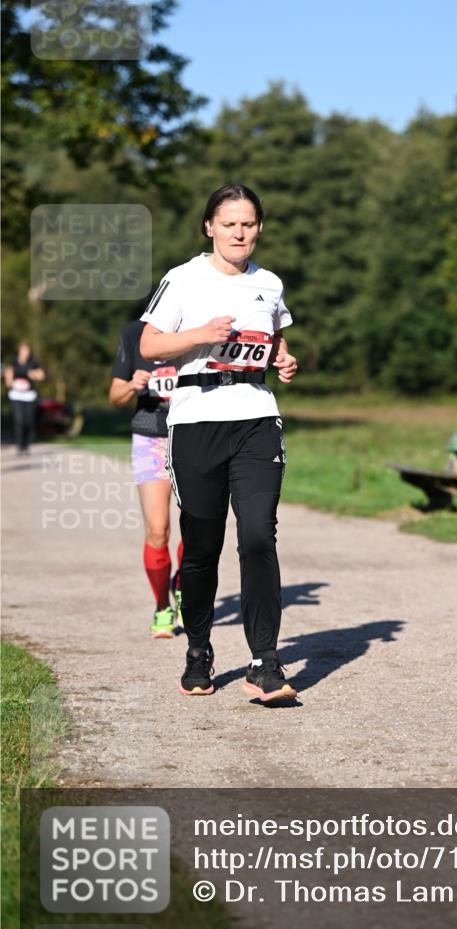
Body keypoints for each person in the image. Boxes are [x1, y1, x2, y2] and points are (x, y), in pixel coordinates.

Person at [140, 183, 298, 700]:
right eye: (229, 223)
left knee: (258, 537)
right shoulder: (183, 278)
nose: (239, 232)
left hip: (256, 418)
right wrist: (200, 334)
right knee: (202, 545)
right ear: (210, 226)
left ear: (259, 229)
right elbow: (149, 343)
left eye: (248, 224)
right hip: (196, 421)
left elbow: (274, 338)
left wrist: (283, 359)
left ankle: (264, 661)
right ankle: (198, 651)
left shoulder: (269, 283)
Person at [109, 320, 183, 638]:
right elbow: (114, 396)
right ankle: (162, 606)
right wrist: (131, 385)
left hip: (193, 434)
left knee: (198, 527)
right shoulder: (133, 334)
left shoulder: (197, 325)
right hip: (150, 437)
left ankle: (183, 583)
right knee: (157, 530)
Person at [4, 341, 45, 453]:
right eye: (24, 350)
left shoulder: (33, 362)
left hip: (29, 396)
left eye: (27, 350)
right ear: (19, 351)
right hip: (16, 395)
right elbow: (8, 375)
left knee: (29, 420)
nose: (26, 352)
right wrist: (11, 382)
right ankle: (20, 445)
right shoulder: (13, 361)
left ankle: (27, 444)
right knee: (19, 420)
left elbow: (41, 375)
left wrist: (34, 374)